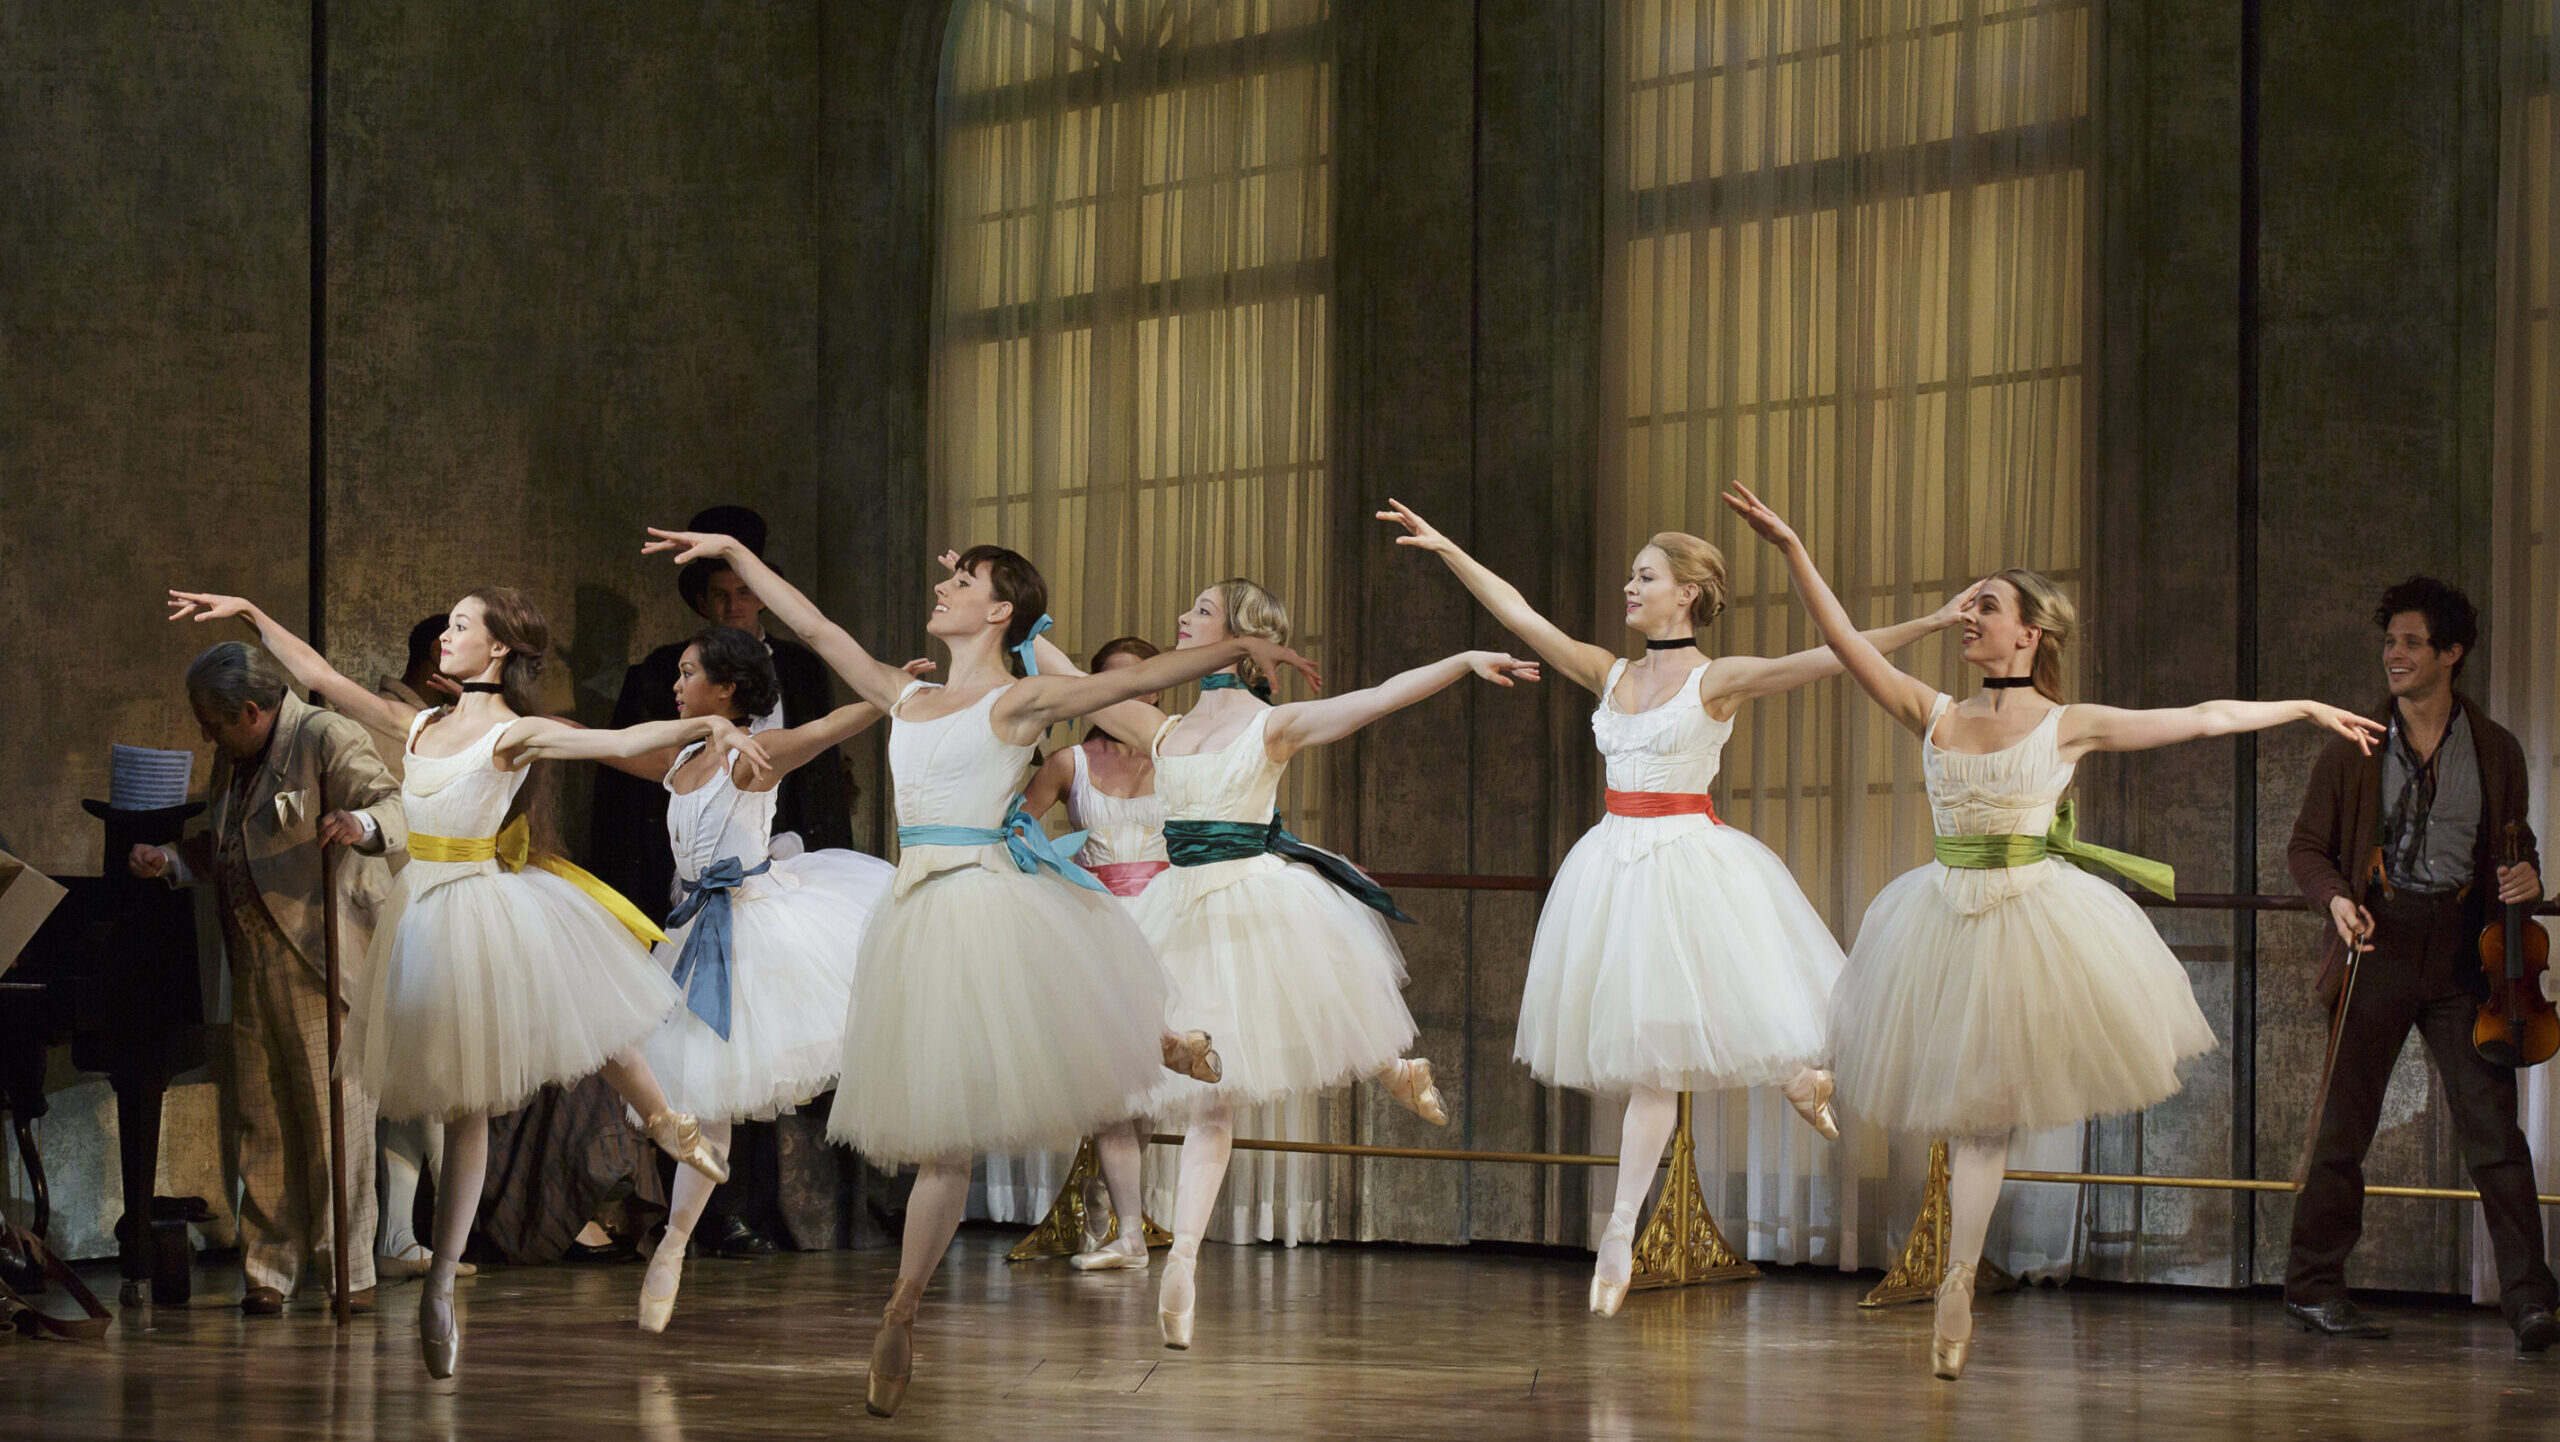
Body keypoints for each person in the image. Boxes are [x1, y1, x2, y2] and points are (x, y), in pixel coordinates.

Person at [638, 525, 1316, 1418]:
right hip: (912, 910)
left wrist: (1239, 647)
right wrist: (734, 550)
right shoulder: (904, 693)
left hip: (979, 895)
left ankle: (1154, 1041)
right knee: (937, 1142)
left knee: (998, 1070)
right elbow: (815, 624)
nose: (944, 585)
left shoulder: (1021, 701)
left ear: (1000, 611)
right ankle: (905, 1311)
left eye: (964, 580)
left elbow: (1133, 681)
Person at [1723, 481, 2381, 1380]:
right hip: (1941, 909)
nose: (1970, 617)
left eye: (1986, 607)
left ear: (2030, 633)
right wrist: (1794, 548)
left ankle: (1957, 1277)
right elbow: (1841, 644)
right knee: (1892, 1016)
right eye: (1971, 606)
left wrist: (2301, 708)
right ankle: (1819, 1071)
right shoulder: (1937, 714)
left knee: (1985, 1118)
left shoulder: (2067, 726)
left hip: (2028, 916)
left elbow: (2199, 719)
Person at [1379, 498, 1972, 1317]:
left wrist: (1937, 618)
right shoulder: (1610, 673)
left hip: (1689, 857)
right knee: (1652, 1063)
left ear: (1687, 592)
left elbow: (1836, 655)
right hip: (1614, 866)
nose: (1629, 586)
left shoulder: (1714, 680)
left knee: (1736, 999)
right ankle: (1624, 1227)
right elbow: (1518, 612)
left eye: (1645, 576)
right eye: (1631, 575)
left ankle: (1797, 1076)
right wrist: (1449, 545)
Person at [165, 586, 764, 1378]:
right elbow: (319, 674)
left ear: (498, 650)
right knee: (463, 1110)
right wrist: (251, 613)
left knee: (582, 1007)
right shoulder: (418, 724)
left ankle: (663, 1120)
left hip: (483, 902)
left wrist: (708, 723)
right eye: (446, 625)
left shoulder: (515, 733)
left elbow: (619, 744)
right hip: (422, 915)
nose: (444, 636)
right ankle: (440, 1282)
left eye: (459, 626)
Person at [1035, 577, 1536, 1349]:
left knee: (1220, 1093)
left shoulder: (1272, 725)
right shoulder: (1159, 730)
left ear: (1239, 635)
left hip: (1248, 900)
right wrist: (1013, 612)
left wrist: (1463, 659)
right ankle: (1188, 1249)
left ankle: (1189, 1257)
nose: (1180, 618)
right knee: (1189, 1080)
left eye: (1198, 611)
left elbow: (1379, 697)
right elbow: (1069, 679)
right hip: (1180, 907)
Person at [2282, 576, 2558, 1351]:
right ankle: (2312, 1289)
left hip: (2464, 956)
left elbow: (2517, 848)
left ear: (2451, 653)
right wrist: (2336, 898)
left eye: (2411, 643)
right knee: (2343, 1126)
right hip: (2379, 941)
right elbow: (2306, 848)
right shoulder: (2357, 744)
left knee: (2494, 1133)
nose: (2394, 655)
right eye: (2391, 642)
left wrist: (2528, 875)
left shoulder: (2495, 748)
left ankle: (2532, 1301)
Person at [631, 626, 910, 1331]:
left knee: (713, 1097)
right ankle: (674, 1239)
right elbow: (613, 748)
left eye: (688, 672)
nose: (675, 682)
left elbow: (822, 729)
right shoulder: (686, 753)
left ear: (726, 687)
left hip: (757, 930)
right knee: (691, 1096)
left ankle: (671, 1245)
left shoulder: (754, 755)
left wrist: (892, 693)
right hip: (695, 929)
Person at [593, 505, 854, 1259]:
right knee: (697, 1068)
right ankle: (694, 1220)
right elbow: (628, 763)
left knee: (757, 1065)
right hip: (696, 889)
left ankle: (754, 1211)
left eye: (745, 591)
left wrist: (890, 699)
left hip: (776, 878)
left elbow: (818, 750)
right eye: (720, 594)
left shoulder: (792, 679)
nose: (735, 603)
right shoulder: (671, 699)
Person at [129, 641, 405, 1316]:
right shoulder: (238, 758)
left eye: (213, 721)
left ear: (251, 710)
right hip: (250, 961)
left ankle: (349, 1271)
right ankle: (269, 1271)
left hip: (318, 957)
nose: (205, 734)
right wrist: (168, 860)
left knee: (333, 1121)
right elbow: (228, 843)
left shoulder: (322, 735)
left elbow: (395, 806)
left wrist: (358, 823)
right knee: (263, 1121)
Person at [1014, 635, 1176, 1271]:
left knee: (1150, 1089)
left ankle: (1109, 1203)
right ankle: (1128, 1233)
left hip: (1167, 926)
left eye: (1141, 682)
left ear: (1159, 688)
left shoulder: (1178, 754)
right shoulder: (1069, 762)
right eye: (1112, 682)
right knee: (1112, 1086)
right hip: (1098, 928)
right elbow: (1017, 832)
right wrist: (1056, 878)